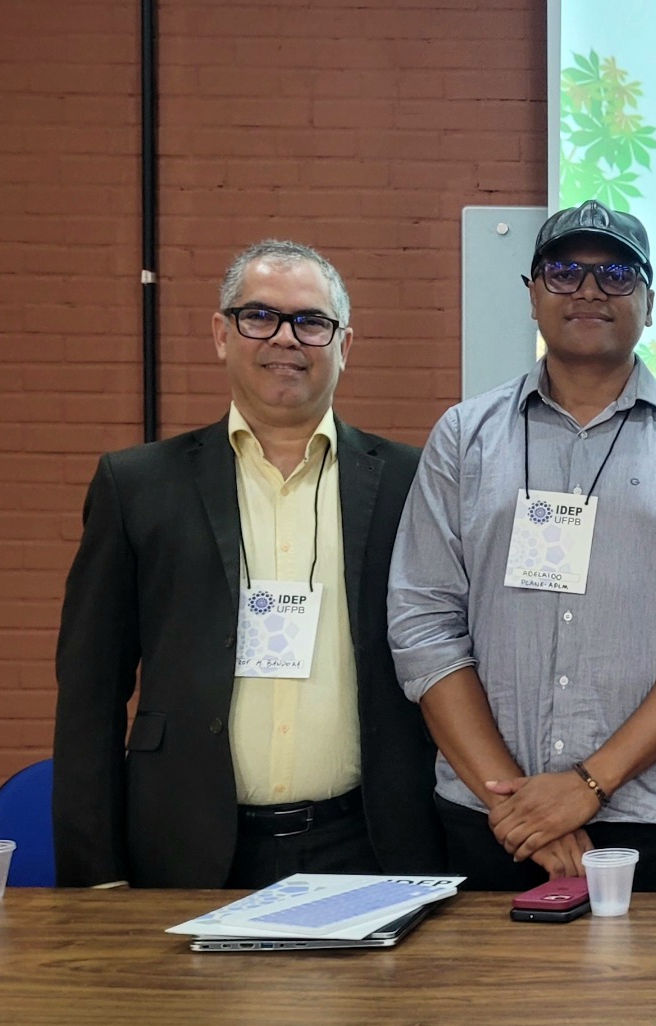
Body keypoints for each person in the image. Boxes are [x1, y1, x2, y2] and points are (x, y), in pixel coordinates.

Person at [388, 201, 656, 892]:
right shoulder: (463, 435)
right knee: (486, 1003)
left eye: (616, 274)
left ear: (650, 303)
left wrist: (588, 784)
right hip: (490, 814)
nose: (589, 290)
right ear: (531, 294)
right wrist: (517, 803)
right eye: (563, 272)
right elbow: (422, 625)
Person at [54, 241, 445, 888]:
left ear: (344, 344)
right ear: (220, 332)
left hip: (371, 846)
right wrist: (95, 874)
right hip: (186, 846)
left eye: (311, 322)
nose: (285, 339)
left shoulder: (413, 481)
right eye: (258, 316)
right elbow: (90, 694)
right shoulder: (138, 486)